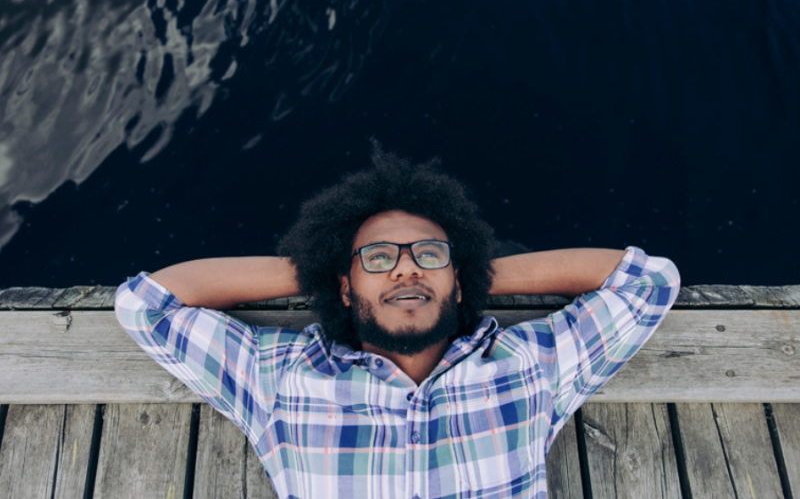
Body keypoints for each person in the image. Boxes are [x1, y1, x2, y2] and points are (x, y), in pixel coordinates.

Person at [115, 145, 680, 499]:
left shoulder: (530, 367)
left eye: (428, 255)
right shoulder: (279, 379)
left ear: (457, 278)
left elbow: (648, 282)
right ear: (344, 284)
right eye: (379, 258)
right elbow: (147, 304)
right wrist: (318, 272)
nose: (406, 270)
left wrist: (470, 276)